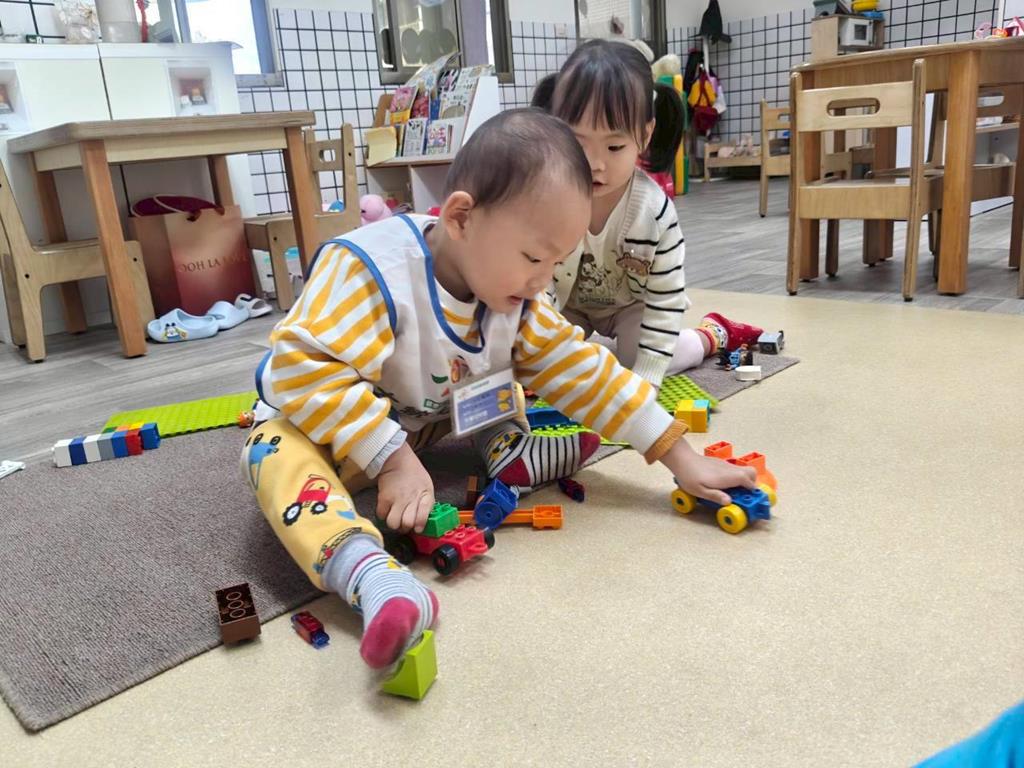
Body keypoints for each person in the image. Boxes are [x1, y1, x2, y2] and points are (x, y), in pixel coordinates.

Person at [240, 108, 757, 670]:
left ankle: (511, 450)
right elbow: (300, 369)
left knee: (509, 380)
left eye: (556, 263)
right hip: (329, 422)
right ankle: (369, 575)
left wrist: (682, 458)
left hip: (429, 416)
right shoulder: (370, 268)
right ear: (461, 217)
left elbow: (586, 372)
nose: (542, 281)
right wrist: (391, 458)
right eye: (534, 258)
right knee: (271, 453)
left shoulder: (518, 296)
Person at [532, 39, 764, 387]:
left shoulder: (653, 211)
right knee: (535, 356)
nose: (595, 164)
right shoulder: (550, 199)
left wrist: (648, 378)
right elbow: (538, 280)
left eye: (614, 146)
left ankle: (711, 334)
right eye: (578, 144)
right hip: (570, 305)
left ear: (644, 135)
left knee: (641, 357)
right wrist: (537, 346)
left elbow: (665, 297)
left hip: (632, 307)